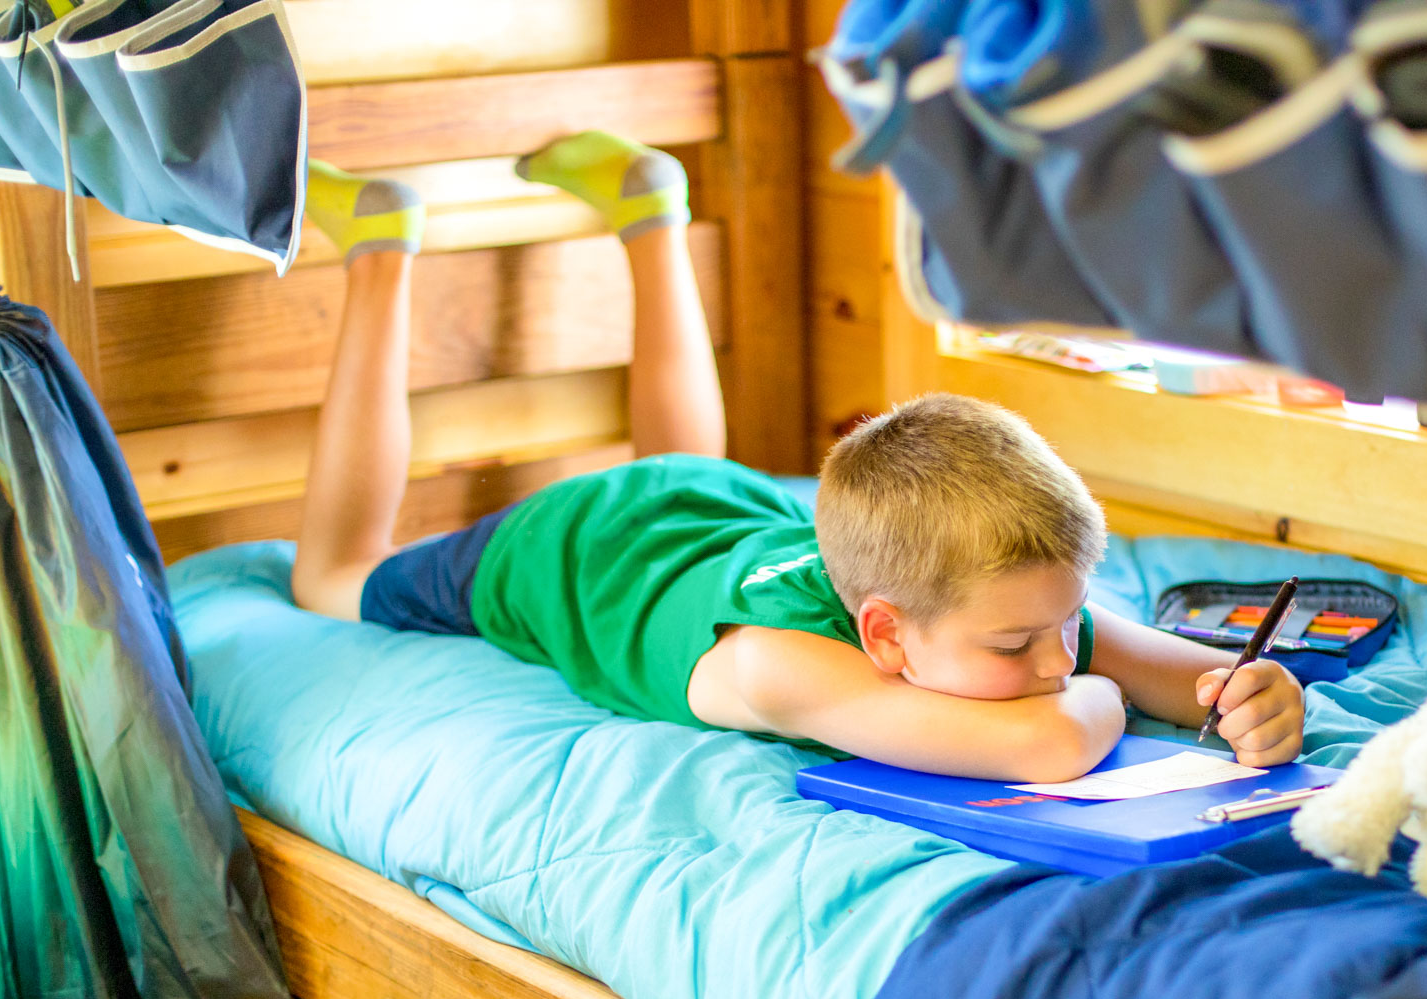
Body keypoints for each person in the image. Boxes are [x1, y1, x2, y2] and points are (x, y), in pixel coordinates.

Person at [290, 133, 1305, 782]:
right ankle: (380, 252)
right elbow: (1052, 739)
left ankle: (652, 207)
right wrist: (1104, 693)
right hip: (564, 548)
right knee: (329, 576)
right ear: (884, 635)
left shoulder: (997, 607)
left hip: (710, 506)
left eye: (1062, 626)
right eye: (1015, 649)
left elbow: (1193, 675)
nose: (1056, 658)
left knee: (682, 463)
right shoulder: (772, 664)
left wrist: (1249, 692)